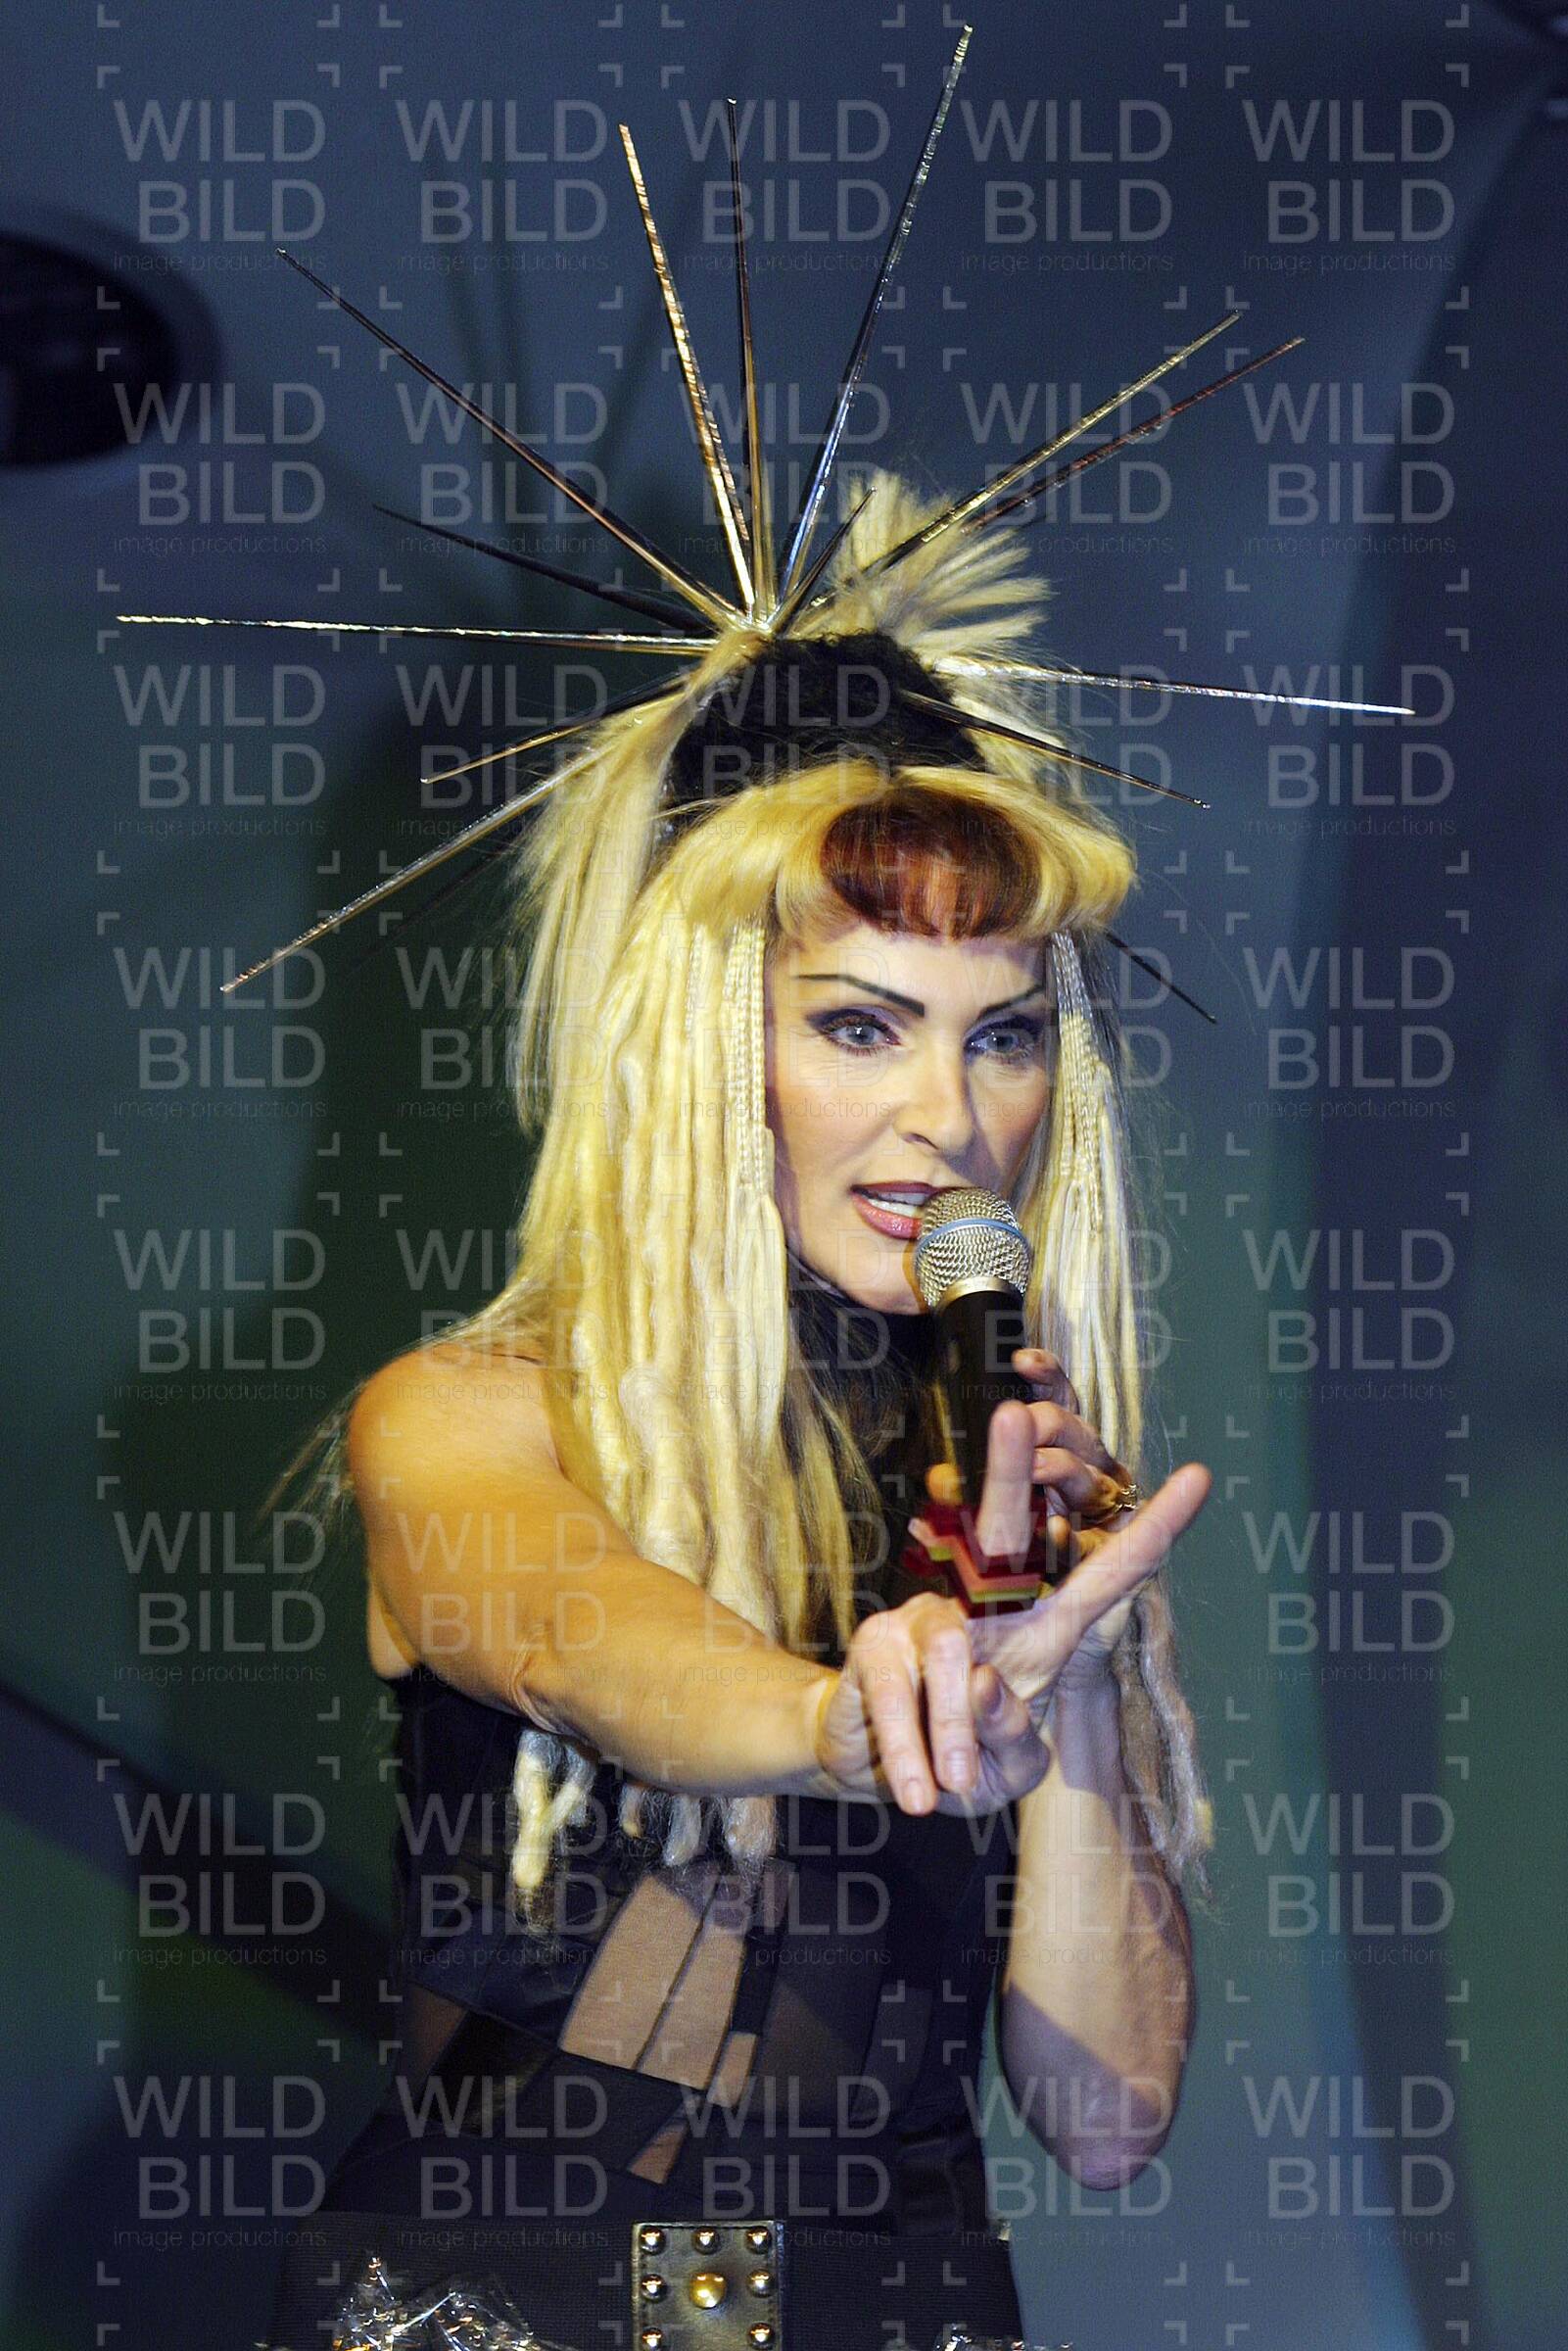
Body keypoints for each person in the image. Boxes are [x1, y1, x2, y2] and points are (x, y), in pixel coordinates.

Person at [264, 468, 1214, 2351]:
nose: (946, 1115)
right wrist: (830, 1723)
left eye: (1002, 1033)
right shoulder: (467, 1419)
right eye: (858, 1025)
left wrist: (1068, 1672)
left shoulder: (1033, 1499)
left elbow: (1105, 2121)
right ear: (707, 1051)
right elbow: (581, 1644)